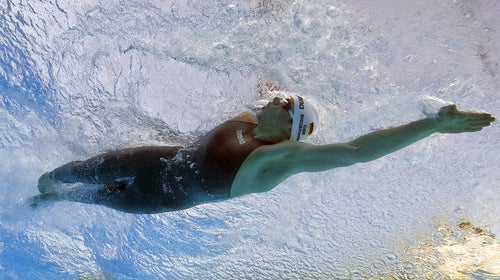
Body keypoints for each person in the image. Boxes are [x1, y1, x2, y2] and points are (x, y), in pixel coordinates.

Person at [36, 93, 495, 214]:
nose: (277, 100)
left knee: (79, 196)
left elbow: (356, 151)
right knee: (65, 173)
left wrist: (432, 125)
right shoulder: (252, 119)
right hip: (153, 159)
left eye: (287, 103)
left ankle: (44, 202)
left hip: (162, 199)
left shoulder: (278, 159)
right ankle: (41, 187)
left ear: (291, 127)